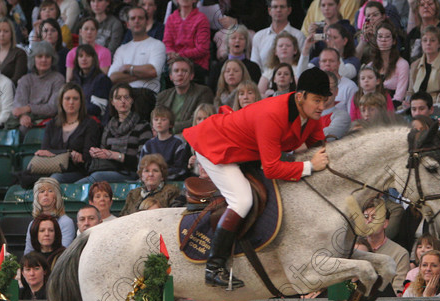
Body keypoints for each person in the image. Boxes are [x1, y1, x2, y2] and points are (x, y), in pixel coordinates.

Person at [183, 67, 331, 288]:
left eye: (325, 101)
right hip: (217, 147)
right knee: (242, 200)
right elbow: (272, 168)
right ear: (300, 97)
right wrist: (309, 166)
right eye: (317, 101)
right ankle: (214, 267)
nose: (322, 107)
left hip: (245, 152)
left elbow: (319, 149)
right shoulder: (273, 114)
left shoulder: (311, 116)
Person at [79, 83, 152, 183]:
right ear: (112, 102)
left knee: (96, 177)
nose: (123, 101)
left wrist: (115, 155)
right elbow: (104, 153)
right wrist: (97, 153)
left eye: (126, 97)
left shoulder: (143, 126)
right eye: (118, 98)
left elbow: (144, 161)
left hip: (131, 173)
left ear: (132, 100)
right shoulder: (109, 126)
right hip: (109, 170)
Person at [32, 83, 101, 183]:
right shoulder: (52, 124)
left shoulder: (90, 124)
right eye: (67, 98)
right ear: (61, 101)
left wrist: (55, 153)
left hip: (77, 171)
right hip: (51, 168)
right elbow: (44, 151)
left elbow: (87, 157)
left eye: (75, 99)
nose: (71, 102)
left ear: (81, 101)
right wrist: (69, 154)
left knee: (55, 179)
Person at [107, 6, 165, 93]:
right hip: (124, 97)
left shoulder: (157, 45)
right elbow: (113, 77)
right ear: (127, 24)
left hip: (146, 95)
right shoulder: (121, 49)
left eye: (140, 18)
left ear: (147, 22)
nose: (136, 21)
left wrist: (128, 68)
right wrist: (142, 74)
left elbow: (153, 71)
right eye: (133, 18)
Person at [12, 41, 65, 133]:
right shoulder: (25, 80)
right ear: (33, 59)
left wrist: (28, 108)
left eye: (47, 57)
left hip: (51, 121)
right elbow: (19, 105)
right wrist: (23, 116)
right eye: (40, 56)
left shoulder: (58, 79)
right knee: (21, 129)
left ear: (52, 59)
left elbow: (53, 108)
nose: (44, 60)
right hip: (28, 120)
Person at [361, 198, 410, 293]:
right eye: (366, 217)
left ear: (385, 223)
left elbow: (398, 291)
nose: (369, 221)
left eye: (374, 217)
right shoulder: (355, 248)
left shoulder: (400, 253)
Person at [156, 57, 214, 134]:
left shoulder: (203, 92)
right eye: (176, 71)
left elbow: (198, 120)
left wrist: (169, 128)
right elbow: (155, 118)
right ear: (171, 76)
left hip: (189, 135)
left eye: (184, 71)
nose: (180, 74)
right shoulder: (162, 96)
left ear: (191, 76)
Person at [406, 25, 440, 105]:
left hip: (439, 107)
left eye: (432, 40)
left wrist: (427, 104)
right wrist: (407, 101)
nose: (428, 43)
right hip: (417, 107)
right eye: (425, 40)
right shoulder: (414, 65)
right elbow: (410, 92)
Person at [162, 0, 210, 82]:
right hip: (174, 62)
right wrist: (171, 52)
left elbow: (202, 49)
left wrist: (179, 55)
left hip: (196, 64)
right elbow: (167, 43)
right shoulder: (171, 19)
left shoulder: (201, 19)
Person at [251, 0, 305, 71]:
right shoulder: (259, 36)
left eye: (282, 7)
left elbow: (301, 63)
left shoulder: (298, 35)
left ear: (289, 10)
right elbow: (254, 66)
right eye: (275, 7)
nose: (279, 10)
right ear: (269, 10)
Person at [138, 106, 190, 180]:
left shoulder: (178, 143)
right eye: (156, 119)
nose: (159, 122)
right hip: (150, 181)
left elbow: (180, 169)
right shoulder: (148, 145)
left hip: (172, 181)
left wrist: (160, 175)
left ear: (171, 124)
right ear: (152, 123)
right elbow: (141, 167)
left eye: (163, 119)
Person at [209, 25, 261, 90]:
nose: (237, 41)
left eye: (241, 38)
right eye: (233, 38)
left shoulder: (253, 68)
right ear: (227, 42)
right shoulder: (217, 67)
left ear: (246, 43)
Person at [70, 44, 111, 117]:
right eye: (81, 56)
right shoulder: (74, 80)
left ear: (93, 59)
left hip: (93, 122)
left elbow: (98, 108)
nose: (84, 59)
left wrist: (75, 109)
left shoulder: (102, 79)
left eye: (88, 56)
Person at [0, 16, 27, 85]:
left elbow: (17, 79)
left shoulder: (19, 53)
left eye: (6, 31)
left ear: (11, 34)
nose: (2, 34)